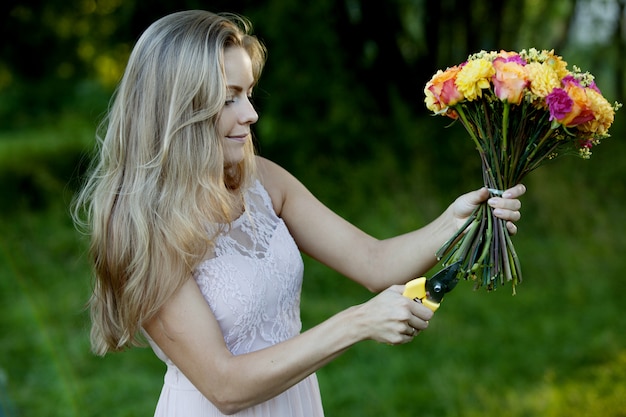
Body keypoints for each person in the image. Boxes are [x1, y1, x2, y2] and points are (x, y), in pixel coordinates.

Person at [73, 10, 526, 417]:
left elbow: (374, 262)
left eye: (248, 93)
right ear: (176, 108)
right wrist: (358, 321)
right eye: (228, 98)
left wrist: (460, 219)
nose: (250, 113)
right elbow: (224, 387)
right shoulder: (141, 228)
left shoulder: (263, 181)